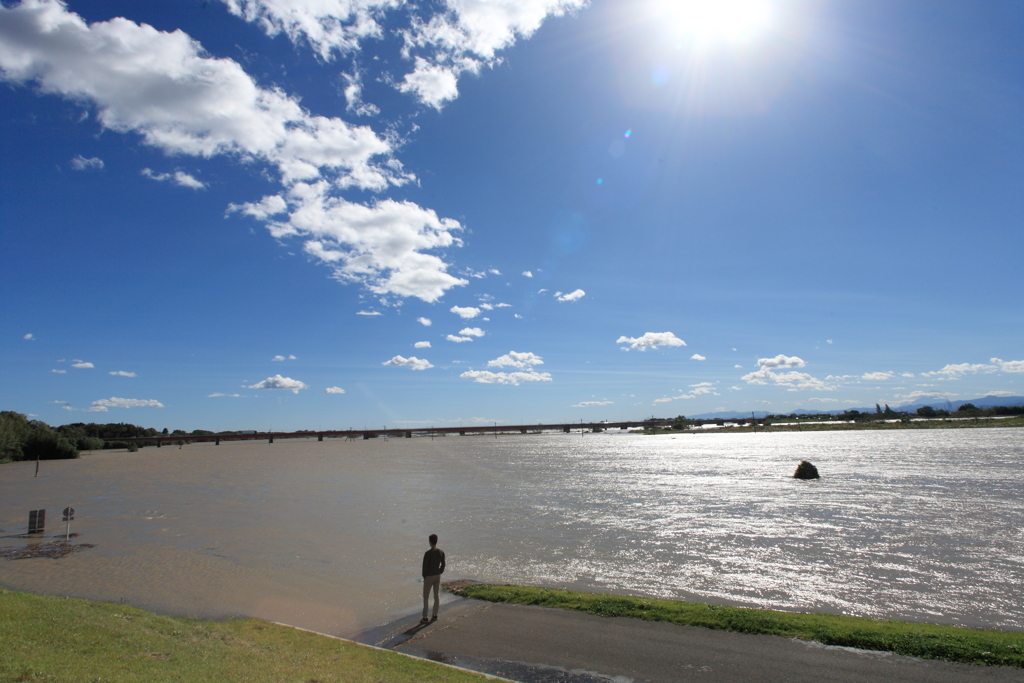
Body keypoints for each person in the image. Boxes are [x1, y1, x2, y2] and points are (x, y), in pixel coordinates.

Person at [421, 533, 446, 623]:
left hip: (429, 576)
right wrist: (440, 571)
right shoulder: (441, 552)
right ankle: (435, 615)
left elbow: (424, 567)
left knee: (426, 597)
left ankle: (425, 616)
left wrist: (424, 576)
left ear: (430, 542)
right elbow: (443, 564)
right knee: (436, 595)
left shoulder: (428, 553)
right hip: (437, 575)